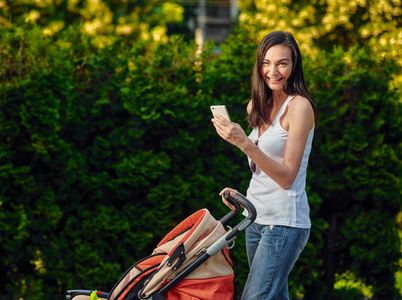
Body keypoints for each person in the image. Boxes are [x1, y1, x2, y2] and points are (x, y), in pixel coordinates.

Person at [211, 31, 319, 300]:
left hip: (283, 223)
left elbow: (286, 177)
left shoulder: (299, 107)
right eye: (267, 63)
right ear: (259, 65)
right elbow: (261, 169)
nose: (274, 71)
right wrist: (240, 196)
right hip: (256, 218)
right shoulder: (255, 107)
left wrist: (244, 143)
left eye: (282, 63)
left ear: (294, 66)